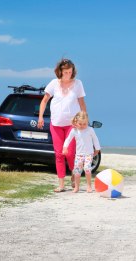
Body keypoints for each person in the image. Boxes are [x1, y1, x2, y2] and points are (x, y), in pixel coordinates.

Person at [38, 58, 87, 192]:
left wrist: (84, 120)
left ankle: (73, 174)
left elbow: (82, 103)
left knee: (70, 153)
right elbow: (44, 101)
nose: (67, 75)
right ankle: (61, 185)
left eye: (70, 72)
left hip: (73, 125)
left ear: (73, 72)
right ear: (60, 71)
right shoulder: (54, 84)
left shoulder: (78, 84)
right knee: (59, 154)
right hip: (56, 124)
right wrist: (41, 117)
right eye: (65, 72)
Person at [62, 111, 101, 193]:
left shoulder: (90, 130)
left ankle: (89, 186)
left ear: (87, 122)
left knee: (87, 169)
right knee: (77, 171)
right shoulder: (74, 131)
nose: (83, 126)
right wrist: (65, 147)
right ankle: (76, 187)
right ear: (76, 122)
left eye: (85, 124)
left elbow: (95, 139)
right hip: (79, 155)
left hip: (88, 154)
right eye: (80, 124)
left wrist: (97, 149)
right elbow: (68, 139)